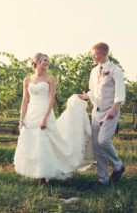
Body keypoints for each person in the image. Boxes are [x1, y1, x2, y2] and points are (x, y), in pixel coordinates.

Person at [14, 53, 93, 185]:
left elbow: (51, 99)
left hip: (44, 112)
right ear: (37, 61)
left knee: (44, 143)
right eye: (45, 60)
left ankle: (44, 176)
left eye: (48, 61)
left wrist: (44, 118)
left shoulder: (50, 78)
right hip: (31, 113)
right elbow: (24, 100)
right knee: (33, 143)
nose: (47, 63)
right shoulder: (27, 80)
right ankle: (37, 172)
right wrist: (21, 120)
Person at [79, 42, 126, 187]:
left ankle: (118, 165)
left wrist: (114, 109)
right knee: (96, 146)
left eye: (95, 54)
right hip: (96, 112)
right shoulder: (94, 71)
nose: (93, 56)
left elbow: (120, 93)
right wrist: (81, 97)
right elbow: (93, 92)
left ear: (104, 54)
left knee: (102, 140)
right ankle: (103, 179)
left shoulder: (115, 70)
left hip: (110, 111)